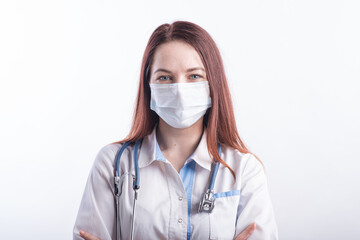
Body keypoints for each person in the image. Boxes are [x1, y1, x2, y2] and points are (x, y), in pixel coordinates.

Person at [73, 20, 279, 240]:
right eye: (164, 77)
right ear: (148, 86)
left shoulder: (245, 171)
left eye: (194, 76)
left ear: (213, 85)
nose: (180, 90)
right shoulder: (113, 164)